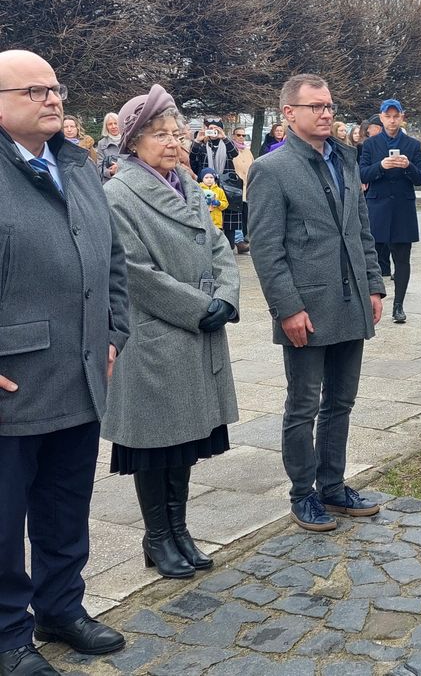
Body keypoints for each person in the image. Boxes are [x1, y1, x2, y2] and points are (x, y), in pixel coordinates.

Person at [0, 49, 130, 674]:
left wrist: (114, 331)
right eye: (33, 91)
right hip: (12, 380)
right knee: (3, 516)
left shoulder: (76, 166)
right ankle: (7, 634)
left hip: (79, 371)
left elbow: (113, 258)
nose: (52, 99)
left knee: (65, 500)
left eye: (55, 87)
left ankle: (61, 606)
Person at [102, 85, 239, 580]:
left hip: (199, 331)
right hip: (156, 336)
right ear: (133, 141)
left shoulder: (184, 181)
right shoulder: (119, 194)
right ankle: (156, 535)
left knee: (186, 441)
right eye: (158, 134)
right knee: (154, 445)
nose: (170, 142)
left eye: (174, 132)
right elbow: (134, 272)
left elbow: (220, 244)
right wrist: (200, 307)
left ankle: (179, 529)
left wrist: (227, 295)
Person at [248, 74, 385, 532]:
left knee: (340, 403)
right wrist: (287, 308)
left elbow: (361, 230)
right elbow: (266, 249)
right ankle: (302, 493)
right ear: (288, 114)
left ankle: (333, 486)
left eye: (328, 105)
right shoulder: (272, 169)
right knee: (303, 404)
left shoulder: (344, 160)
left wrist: (374, 286)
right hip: (305, 308)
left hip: (350, 303)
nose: (326, 113)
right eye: (314, 107)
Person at [359, 99, 421, 324]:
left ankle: (399, 305)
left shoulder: (413, 145)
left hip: (402, 208)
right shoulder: (370, 144)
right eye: (388, 116)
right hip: (377, 206)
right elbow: (362, 174)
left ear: (402, 117)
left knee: (402, 258)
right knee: (372, 256)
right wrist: (381, 166)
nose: (393, 119)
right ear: (382, 117)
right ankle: (372, 300)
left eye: (397, 115)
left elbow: (420, 179)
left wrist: (408, 166)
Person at [191, 121, 248, 253]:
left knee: (229, 218)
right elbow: (193, 160)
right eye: (209, 129)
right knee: (207, 216)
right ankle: (209, 248)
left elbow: (234, 153)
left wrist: (224, 137)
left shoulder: (226, 144)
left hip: (226, 185)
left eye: (215, 129)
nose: (212, 132)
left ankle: (228, 247)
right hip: (206, 185)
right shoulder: (203, 145)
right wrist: (197, 140)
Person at [96, 112, 123, 181]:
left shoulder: (128, 140)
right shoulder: (101, 144)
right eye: (110, 124)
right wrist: (111, 172)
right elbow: (99, 168)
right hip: (111, 182)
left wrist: (120, 166)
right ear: (106, 127)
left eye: (115, 123)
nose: (113, 126)